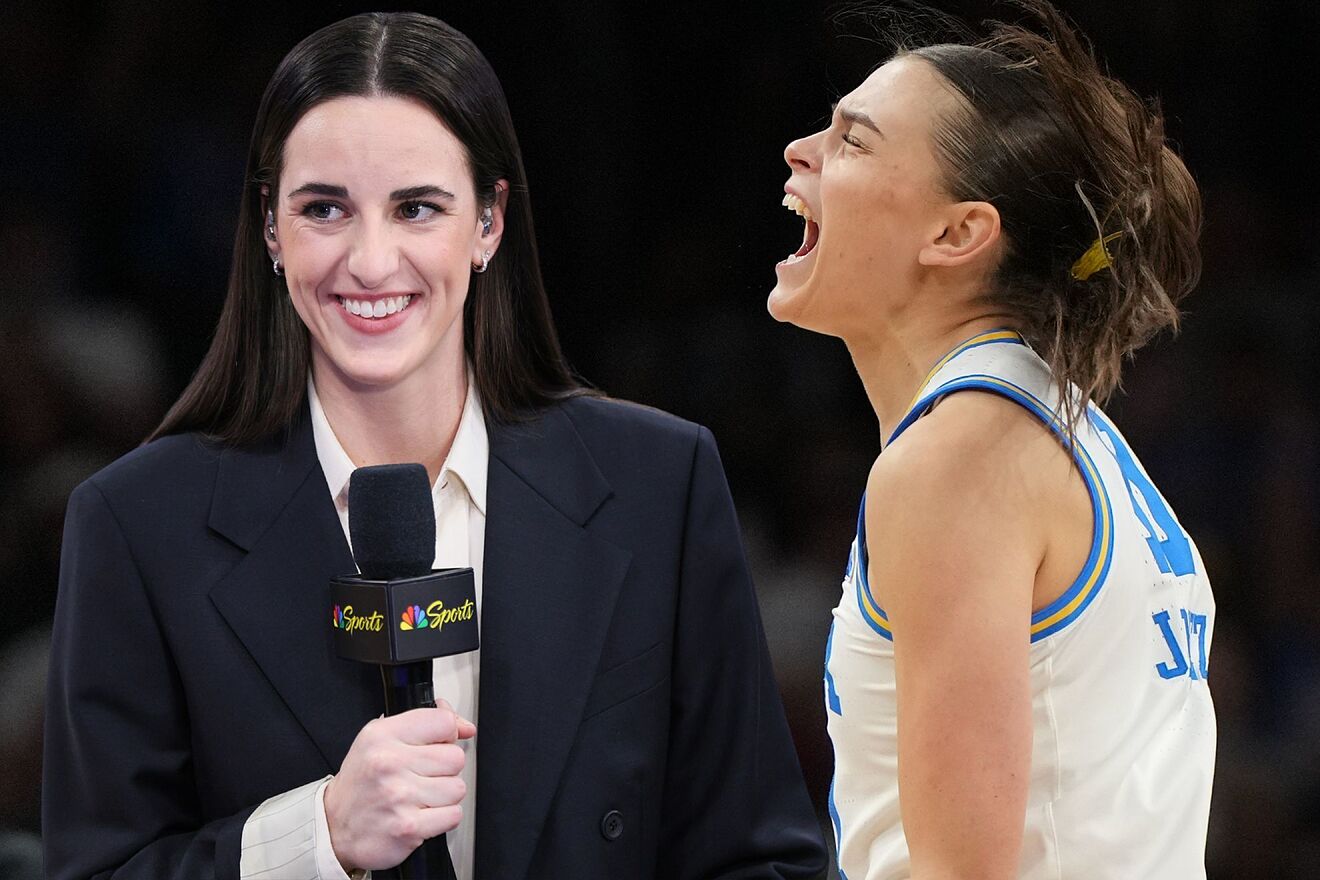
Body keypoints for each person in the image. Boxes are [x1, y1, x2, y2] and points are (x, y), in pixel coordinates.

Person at [43, 12, 826, 880]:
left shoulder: (657, 485)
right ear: (269, 227)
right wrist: (317, 836)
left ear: (489, 221)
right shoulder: (136, 525)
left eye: (416, 208)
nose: (371, 262)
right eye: (324, 209)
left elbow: (762, 859)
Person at [769, 2, 1214, 878]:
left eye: (853, 142)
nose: (803, 151)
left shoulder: (958, 459)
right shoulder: (1065, 432)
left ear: (958, 233)